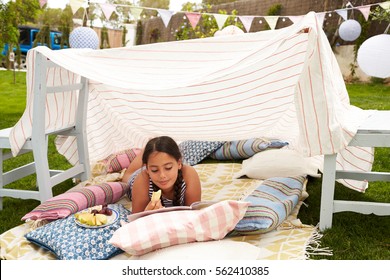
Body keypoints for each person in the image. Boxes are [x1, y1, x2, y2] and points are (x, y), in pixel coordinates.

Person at [122, 136, 201, 213]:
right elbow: (136, 221)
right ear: (148, 169)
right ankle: (146, 149)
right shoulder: (141, 180)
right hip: (137, 177)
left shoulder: (189, 175)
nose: (162, 175)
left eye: (168, 168)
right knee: (126, 176)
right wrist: (147, 215)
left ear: (179, 163)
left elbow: (194, 216)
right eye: (155, 170)